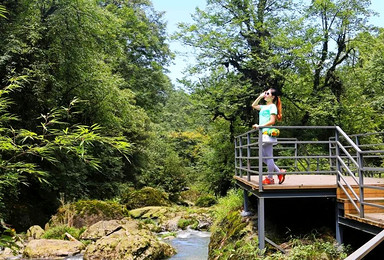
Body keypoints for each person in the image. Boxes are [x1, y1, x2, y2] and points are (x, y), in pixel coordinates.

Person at [251, 88, 286, 185]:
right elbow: (253, 105)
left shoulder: (272, 107)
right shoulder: (263, 107)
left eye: (267, 93)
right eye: (265, 93)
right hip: (262, 134)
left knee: (269, 157)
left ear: (273, 97)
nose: (265, 95)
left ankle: (270, 178)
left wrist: (259, 126)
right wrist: (260, 96)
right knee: (263, 158)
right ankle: (279, 172)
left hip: (267, 134)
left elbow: (272, 121)